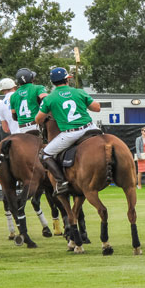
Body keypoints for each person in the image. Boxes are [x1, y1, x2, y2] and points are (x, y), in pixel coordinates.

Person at [34, 67, 100, 195]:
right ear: (67, 80)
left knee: (45, 154)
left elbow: (38, 119)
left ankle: (61, 181)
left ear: (53, 82)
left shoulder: (49, 98)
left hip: (71, 133)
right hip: (91, 128)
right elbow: (97, 108)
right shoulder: (79, 92)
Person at [9, 68, 47, 134]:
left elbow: (15, 117)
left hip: (22, 129)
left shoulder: (13, 96)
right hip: (37, 126)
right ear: (31, 78)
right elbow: (46, 101)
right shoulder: (38, 88)